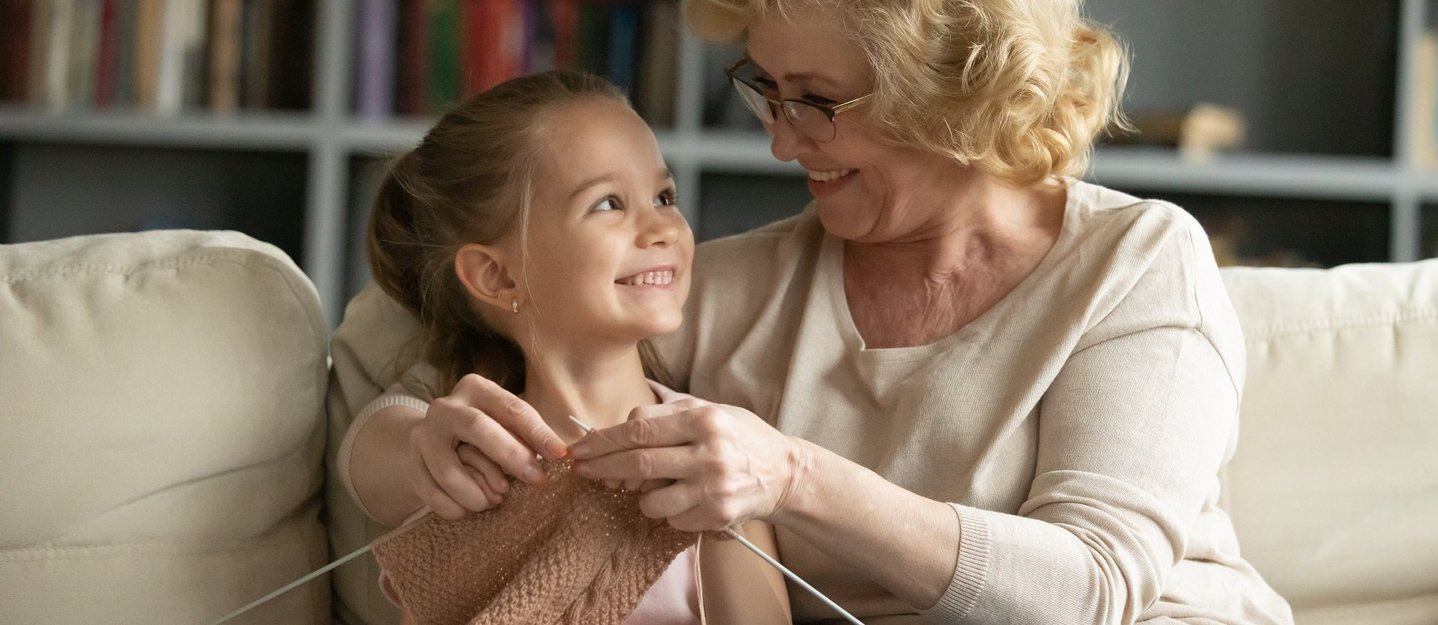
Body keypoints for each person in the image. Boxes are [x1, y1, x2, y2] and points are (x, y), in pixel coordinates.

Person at [333, 0, 1297, 622]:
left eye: (818, 101)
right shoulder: (728, 286)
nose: (783, 143)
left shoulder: (1134, 262)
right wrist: (415, 446)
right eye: (768, 92)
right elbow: (416, 372)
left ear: (954, 97)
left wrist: (791, 475)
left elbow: (1092, 588)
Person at [345, 69, 789, 624]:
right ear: (497, 276)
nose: (663, 229)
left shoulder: (720, 455)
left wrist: (725, 515)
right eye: (608, 204)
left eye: (664, 196)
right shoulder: (466, 474)